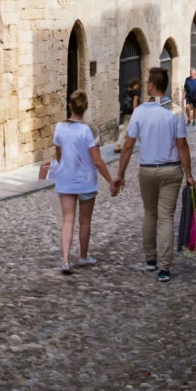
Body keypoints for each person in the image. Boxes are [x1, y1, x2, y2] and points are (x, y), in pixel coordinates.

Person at [112, 67, 194, 283]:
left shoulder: (139, 112)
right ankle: (164, 268)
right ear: (164, 86)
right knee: (166, 217)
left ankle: (150, 258)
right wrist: (189, 175)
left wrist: (120, 174)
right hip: (170, 169)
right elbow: (182, 145)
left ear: (151, 85)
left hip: (147, 170)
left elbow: (128, 146)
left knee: (150, 213)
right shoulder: (175, 112)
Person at [42, 90, 116, 274]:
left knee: (68, 220)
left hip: (67, 179)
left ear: (70, 106)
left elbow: (59, 155)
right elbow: (97, 160)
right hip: (86, 181)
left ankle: (65, 260)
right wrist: (110, 180)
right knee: (85, 221)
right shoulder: (89, 130)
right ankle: (83, 256)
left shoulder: (59, 127)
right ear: (85, 108)